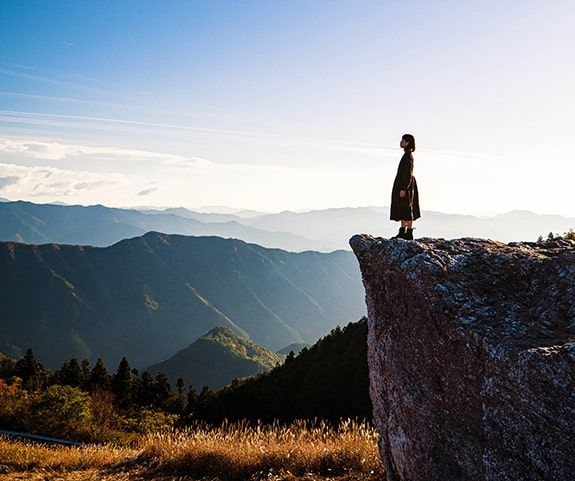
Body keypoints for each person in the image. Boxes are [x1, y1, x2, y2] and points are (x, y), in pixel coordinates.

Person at [390, 133, 420, 239]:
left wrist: (404, 188)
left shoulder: (408, 156)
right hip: (404, 185)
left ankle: (408, 232)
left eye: (402, 141)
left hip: (405, 186)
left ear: (407, 142)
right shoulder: (407, 155)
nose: (400, 142)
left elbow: (408, 173)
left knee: (407, 207)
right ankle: (403, 231)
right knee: (403, 207)